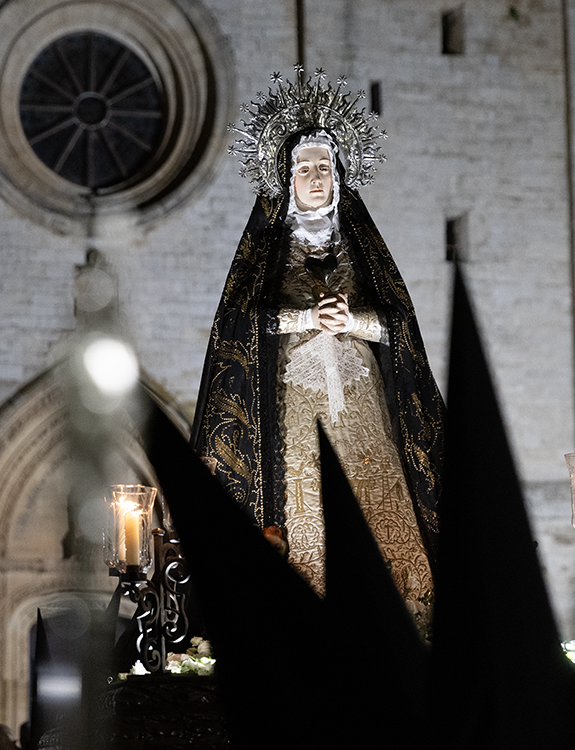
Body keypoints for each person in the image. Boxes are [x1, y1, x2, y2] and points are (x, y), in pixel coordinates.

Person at [192, 70, 445, 630]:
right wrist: (305, 318)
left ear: (339, 175)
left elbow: (401, 325)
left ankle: (404, 628)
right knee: (307, 514)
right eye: (303, 168)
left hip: (364, 410)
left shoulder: (363, 251)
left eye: (324, 167)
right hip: (294, 416)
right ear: (286, 179)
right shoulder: (267, 254)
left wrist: (354, 321)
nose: (315, 177)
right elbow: (238, 324)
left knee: (382, 510)